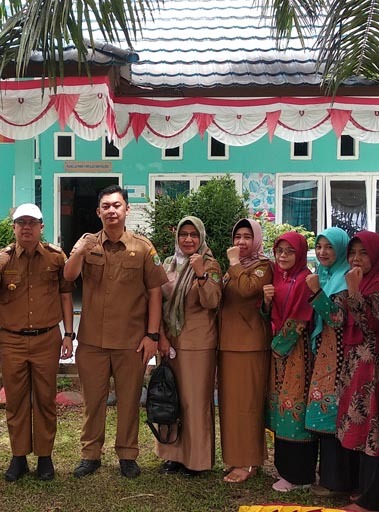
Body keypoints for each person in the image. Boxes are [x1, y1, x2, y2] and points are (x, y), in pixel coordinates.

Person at [63, 185, 168, 479]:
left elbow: (155, 292)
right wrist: (80, 251)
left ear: (126, 210)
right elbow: (68, 278)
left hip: (131, 341)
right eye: (106, 206)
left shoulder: (143, 248)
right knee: (93, 401)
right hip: (92, 341)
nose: (111, 210)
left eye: (117, 205)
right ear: (98, 212)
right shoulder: (86, 244)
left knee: (129, 399)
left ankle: (127, 454)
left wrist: (153, 335)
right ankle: (90, 454)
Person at [0, 203, 75, 482]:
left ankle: (45, 458)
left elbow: (65, 295)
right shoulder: (1, 258)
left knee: (45, 399)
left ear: (41, 227)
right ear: (14, 227)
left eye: (32, 223)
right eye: (21, 223)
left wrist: (68, 334)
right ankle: (18, 457)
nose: (26, 228)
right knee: (16, 401)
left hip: (47, 338)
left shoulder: (56, 257)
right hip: (13, 341)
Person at [338, 231, 379, 512]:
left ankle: (373, 499)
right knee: (365, 429)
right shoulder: (364, 283)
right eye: (353, 253)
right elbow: (338, 316)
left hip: (378, 368)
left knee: (377, 430)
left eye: (363, 253)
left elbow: (370, 322)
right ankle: (373, 493)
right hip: (360, 365)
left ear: (376, 255)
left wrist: (353, 291)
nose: (356, 259)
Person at [154, 216, 221, 478]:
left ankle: (195, 459)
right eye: (184, 234)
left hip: (198, 344)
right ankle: (172, 455)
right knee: (171, 399)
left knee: (195, 403)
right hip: (170, 341)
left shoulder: (210, 264)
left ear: (201, 237)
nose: (189, 239)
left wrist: (202, 273)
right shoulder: (169, 263)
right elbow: (158, 302)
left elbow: (213, 301)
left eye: (194, 234)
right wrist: (161, 336)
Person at [217, 218, 272, 484]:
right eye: (237, 236)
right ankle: (237, 458)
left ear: (257, 240)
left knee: (248, 405)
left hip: (250, 345)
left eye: (247, 237)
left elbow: (248, 290)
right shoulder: (233, 268)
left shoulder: (263, 267)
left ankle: (249, 461)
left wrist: (235, 264)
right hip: (228, 344)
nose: (241, 241)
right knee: (231, 406)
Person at [305, 227, 357, 496]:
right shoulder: (326, 276)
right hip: (325, 353)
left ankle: (336, 481)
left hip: (339, 356)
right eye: (319, 246)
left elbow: (338, 319)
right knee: (324, 414)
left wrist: (316, 294)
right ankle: (328, 477)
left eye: (329, 247)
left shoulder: (346, 278)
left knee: (333, 415)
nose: (323, 252)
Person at [263, 232, 317, 492]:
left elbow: (300, 319)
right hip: (278, 351)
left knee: (293, 409)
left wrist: (277, 348)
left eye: (289, 251)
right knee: (280, 409)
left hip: (296, 351)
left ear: (300, 254)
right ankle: (285, 470)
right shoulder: (278, 276)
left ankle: (300, 475)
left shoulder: (305, 279)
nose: (282, 256)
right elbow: (270, 312)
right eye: (279, 250)